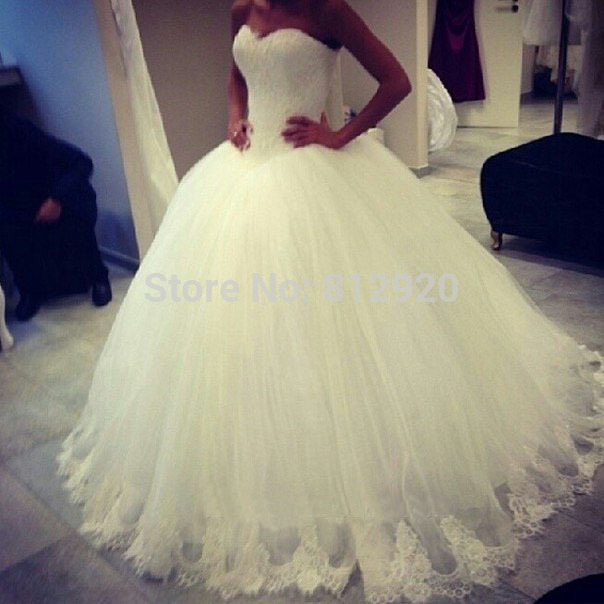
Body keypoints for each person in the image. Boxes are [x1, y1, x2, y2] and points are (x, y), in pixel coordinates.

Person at [57, 1, 604, 602]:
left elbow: (395, 79)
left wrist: (342, 133)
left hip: (314, 173)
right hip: (243, 171)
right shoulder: (243, 6)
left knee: (346, 323)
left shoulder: (326, 8)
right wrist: (236, 116)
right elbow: (237, 74)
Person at [0, 109, 112, 321]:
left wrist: (56, 199)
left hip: (58, 200)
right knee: (6, 228)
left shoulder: (28, 138)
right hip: (20, 210)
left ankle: (98, 276)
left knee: (76, 208)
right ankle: (29, 291)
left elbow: (82, 162)